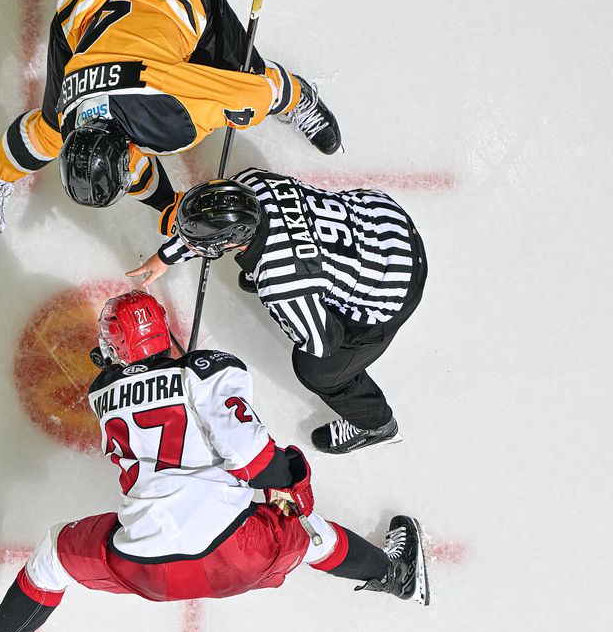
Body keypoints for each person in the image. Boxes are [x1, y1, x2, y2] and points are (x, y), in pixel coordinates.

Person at [0, 291, 429, 632]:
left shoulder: (103, 392)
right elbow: (257, 463)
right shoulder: (209, 373)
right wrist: (295, 476)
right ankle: (394, 574)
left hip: (146, 567)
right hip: (237, 555)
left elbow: (139, 390)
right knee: (310, 533)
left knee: (55, 554)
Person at [0, 0, 341, 248]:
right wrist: (168, 207)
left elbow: (254, 93)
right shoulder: (73, 120)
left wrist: (279, 95)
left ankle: (303, 99)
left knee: (250, 74)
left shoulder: (176, 119)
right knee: (53, 132)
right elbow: (131, 165)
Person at [127, 169, 427, 455]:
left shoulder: (281, 284)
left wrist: (296, 294)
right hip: (387, 220)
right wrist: (166, 256)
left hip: (395, 286)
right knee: (293, 274)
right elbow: (217, 221)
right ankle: (304, 276)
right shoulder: (251, 181)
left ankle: (377, 426)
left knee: (318, 369)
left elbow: (324, 341)